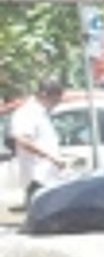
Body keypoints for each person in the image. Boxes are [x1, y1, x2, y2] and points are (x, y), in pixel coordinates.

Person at [10, 78, 66, 206]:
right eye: (55, 99)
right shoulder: (27, 113)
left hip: (48, 176)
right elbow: (22, 140)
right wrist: (51, 157)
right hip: (37, 177)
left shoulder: (42, 113)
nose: (57, 103)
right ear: (44, 94)